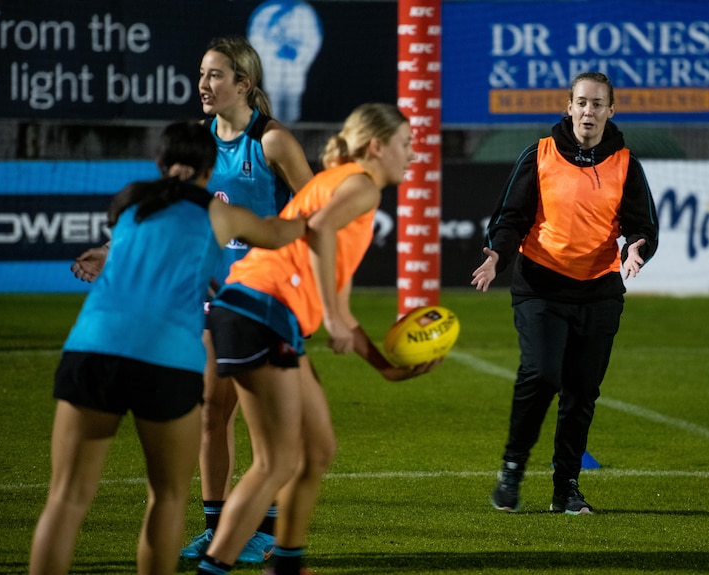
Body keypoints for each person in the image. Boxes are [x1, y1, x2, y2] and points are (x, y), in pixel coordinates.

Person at [71, 36, 314, 563]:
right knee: (212, 414)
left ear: (244, 84)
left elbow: (314, 211)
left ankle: (264, 530)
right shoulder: (198, 142)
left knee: (263, 421)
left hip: (265, 299)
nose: (203, 84)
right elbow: (170, 212)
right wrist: (110, 252)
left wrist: (301, 277)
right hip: (210, 300)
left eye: (215, 75)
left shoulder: (271, 142)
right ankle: (220, 526)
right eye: (201, 73)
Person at [29, 121, 307, 575]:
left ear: (159, 162)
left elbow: (134, 252)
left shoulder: (130, 203)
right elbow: (284, 233)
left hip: (93, 351)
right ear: (210, 167)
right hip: (167, 360)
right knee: (167, 498)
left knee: (65, 498)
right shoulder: (220, 214)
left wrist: (105, 253)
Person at [195, 103, 438, 575]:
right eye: (406, 145)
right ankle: (215, 567)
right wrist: (329, 316)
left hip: (257, 311)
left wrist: (384, 367)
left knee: (318, 448)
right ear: (376, 146)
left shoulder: (345, 187)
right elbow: (319, 231)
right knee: (276, 462)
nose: (413, 155)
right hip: (260, 309)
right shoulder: (362, 185)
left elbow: (341, 299)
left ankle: (286, 563)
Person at [471, 72, 659, 515]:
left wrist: (638, 249)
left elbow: (642, 226)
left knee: (581, 392)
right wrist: (498, 255)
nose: (588, 111)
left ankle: (566, 489)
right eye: (581, 103)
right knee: (542, 375)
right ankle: (512, 469)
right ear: (568, 107)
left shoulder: (627, 164)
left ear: (611, 111)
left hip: (599, 293)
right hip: (541, 287)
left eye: (597, 104)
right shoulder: (538, 154)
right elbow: (510, 218)